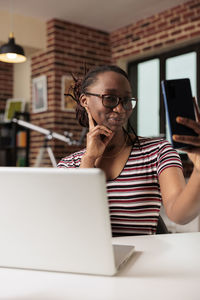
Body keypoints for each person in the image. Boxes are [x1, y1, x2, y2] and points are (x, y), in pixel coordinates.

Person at [57, 65, 200, 236]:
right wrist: (89, 160)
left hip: (143, 260)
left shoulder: (157, 152)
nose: (120, 109)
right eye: (109, 99)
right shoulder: (68, 165)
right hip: (87, 260)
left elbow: (180, 215)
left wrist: (199, 170)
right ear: (84, 100)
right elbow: (70, 221)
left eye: (126, 101)